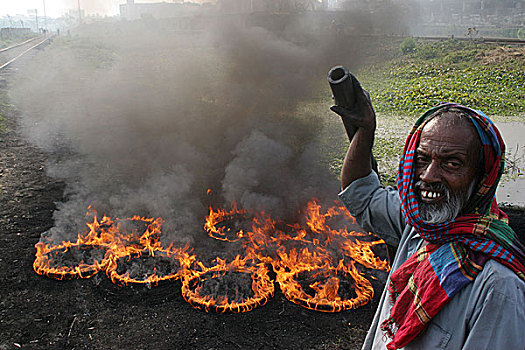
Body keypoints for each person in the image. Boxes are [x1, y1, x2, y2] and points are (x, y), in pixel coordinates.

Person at [330, 89, 525, 349]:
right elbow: (363, 195)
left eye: (452, 164)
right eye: (422, 159)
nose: (429, 175)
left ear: (482, 177)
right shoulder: (422, 226)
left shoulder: (498, 288)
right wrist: (365, 130)